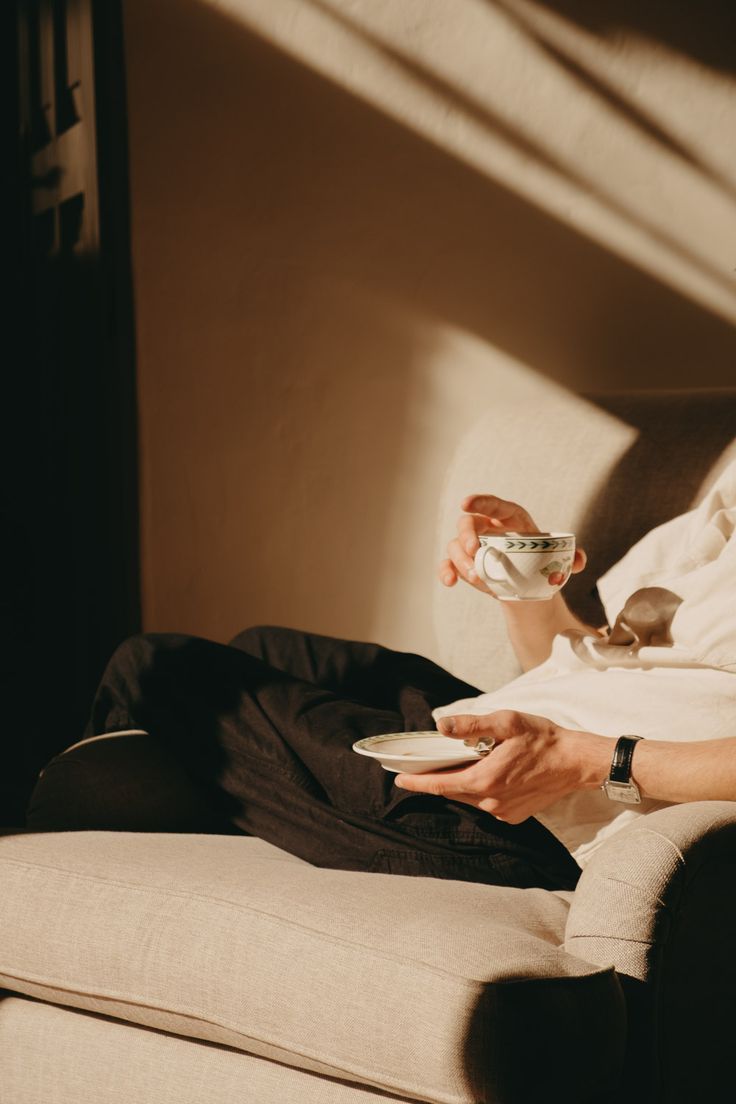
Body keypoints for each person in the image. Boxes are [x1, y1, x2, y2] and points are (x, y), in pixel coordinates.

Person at [26, 463, 736, 887]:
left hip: (536, 816)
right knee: (265, 647)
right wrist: (526, 584)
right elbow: (591, 661)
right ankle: (238, 795)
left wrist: (587, 759)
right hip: (528, 725)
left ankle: (107, 834)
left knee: (155, 670)